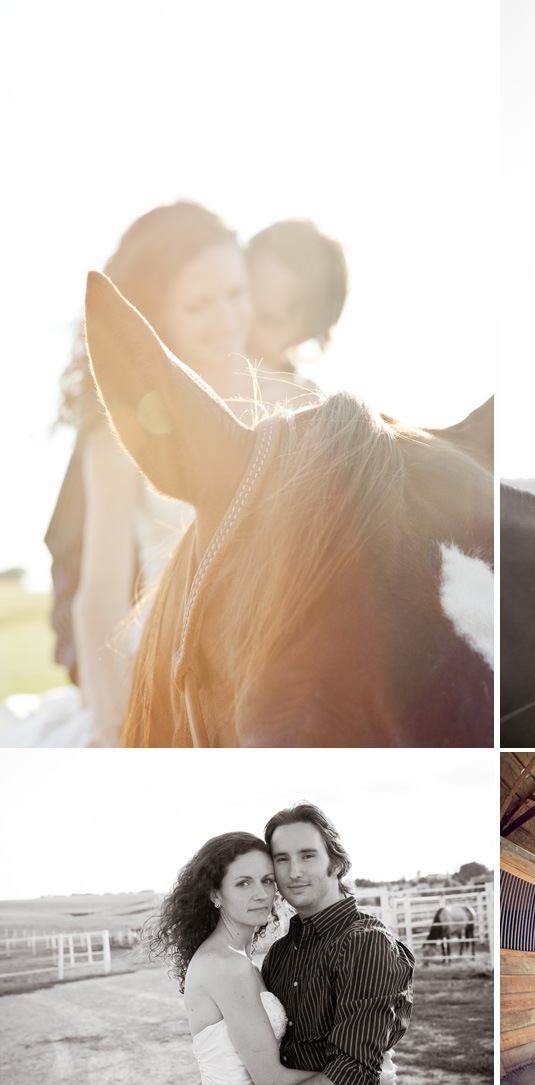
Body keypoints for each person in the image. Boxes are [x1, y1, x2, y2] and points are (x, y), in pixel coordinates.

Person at [31, 202, 315, 748]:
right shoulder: (118, 428)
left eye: (235, 295)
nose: (228, 318)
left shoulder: (293, 398)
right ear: (156, 318)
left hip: (283, 649)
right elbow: (101, 594)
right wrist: (110, 723)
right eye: (199, 306)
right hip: (171, 656)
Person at [143, 831, 330, 1084]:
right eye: (243, 883)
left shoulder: (236, 959)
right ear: (215, 895)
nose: (261, 894)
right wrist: (360, 1074)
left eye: (267, 880)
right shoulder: (227, 965)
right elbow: (272, 1079)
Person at [262, 802, 413, 1085]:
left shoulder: (366, 943)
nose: (294, 872)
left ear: (336, 862)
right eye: (281, 859)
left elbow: (351, 1073)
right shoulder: (279, 954)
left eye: (307, 855)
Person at [246, 220, 348, 373]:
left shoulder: (299, 396)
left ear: (304, 336)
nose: (239, 320)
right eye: (238, 294)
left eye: (268, 321)